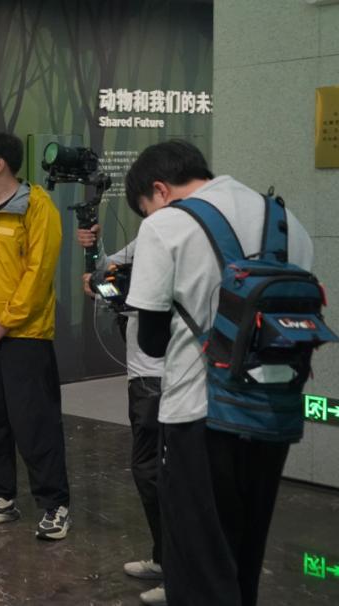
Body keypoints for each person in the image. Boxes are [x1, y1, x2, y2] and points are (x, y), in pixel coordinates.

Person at [125, 140, 312, 606]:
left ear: (159, 190)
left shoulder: (166, 225)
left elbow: (152, 342)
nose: (149, 216)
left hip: (198, 413)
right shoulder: (286, 222)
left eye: (146, 207)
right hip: (272, 411)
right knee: (245, 554)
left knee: (199, 563)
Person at [0, 131, 71, 540]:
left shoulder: (37, 207)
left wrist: (6, 322)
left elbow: (38, 273)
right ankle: (0, 498)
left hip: (25, 336)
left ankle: (55, 505)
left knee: (35, 423)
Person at [78, 227, 166, 605]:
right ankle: (165, 558)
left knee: (159, 473)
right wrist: (94, 251)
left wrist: (110, 288)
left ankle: (180, 571)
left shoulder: (178, 237)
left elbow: (148, 296)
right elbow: (108, 270)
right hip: (142, 375)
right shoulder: (150, 233)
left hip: (165, 376)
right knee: (148, 471)